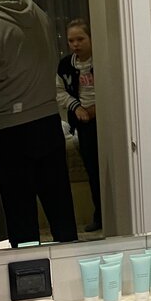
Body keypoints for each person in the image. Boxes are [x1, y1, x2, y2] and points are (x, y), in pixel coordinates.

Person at [0, 0, 78, 247]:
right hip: (48, 121)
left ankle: (30, 275)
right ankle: (73, 267)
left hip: (10, 129)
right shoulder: (36, 11)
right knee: (61, 209)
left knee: (21, 219)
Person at [57, 19, 102, 233]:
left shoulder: (102, 60)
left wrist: (98, 108)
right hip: (83, 122)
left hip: (106, 119)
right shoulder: (66, 65)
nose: (75, 44)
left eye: (80, 39)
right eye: (71, 40)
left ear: (91, 38)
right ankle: (99, 215)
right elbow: (59, 91)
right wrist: (76, 107)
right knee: (92, 170)